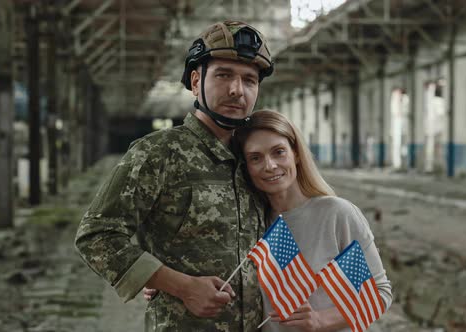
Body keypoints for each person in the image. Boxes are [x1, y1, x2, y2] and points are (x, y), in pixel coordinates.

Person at [75, 21, 274, 332]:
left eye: (249, 80)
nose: (238, 90)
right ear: (196, 81)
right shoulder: (157, 153)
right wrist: (180, 285)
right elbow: (97, 236)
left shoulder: (258, 157)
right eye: (224, 75)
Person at [146, 110, 393, 330]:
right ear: (245, 167)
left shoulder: (335, 214)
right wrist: (171, 284)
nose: (270, 165)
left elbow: (379, 295)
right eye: (256, 158)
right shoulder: (249, 221)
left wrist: (320, 320)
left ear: (295, 154)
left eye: (279, 152)